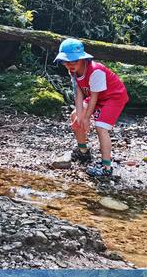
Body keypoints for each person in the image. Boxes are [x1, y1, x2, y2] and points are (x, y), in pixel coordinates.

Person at [54, 37, 129, 180]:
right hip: (96, 96)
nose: (70, 65)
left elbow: (94, 97)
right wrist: (80, 116)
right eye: (66, 61)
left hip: (113, 97)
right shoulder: (73, 71)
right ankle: (83, 151)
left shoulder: (96, 71)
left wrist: (87, 118)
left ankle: (106, 167)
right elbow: (79, 93)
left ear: (83, 59)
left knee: (101, 127)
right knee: (75, 116)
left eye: (74, 61)